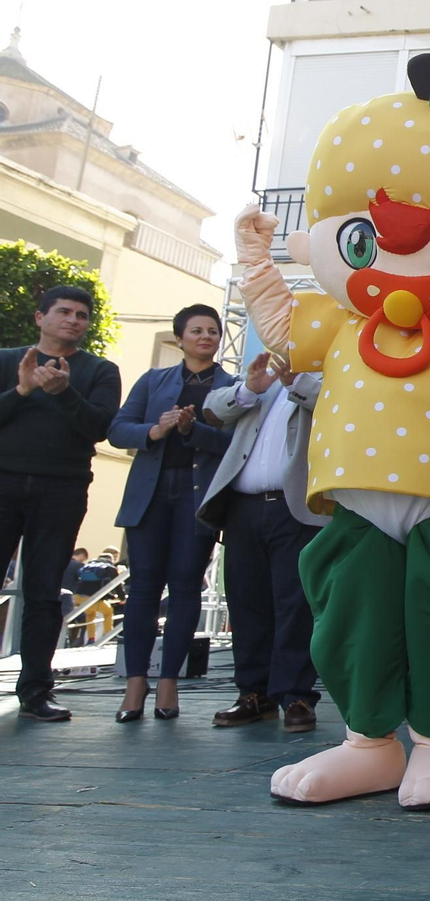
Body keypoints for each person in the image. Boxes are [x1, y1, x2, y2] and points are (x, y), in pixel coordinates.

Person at [0, 285, 122, 721]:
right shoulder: (6, 359)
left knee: (44, 590)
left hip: (62, 487)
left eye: (82, 315)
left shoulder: (100, 370)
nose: (74, 319)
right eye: (64, 311)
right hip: (5, 480)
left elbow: (101, 426)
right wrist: (22, 390)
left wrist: (64, 392)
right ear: (40, 317)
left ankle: (35, 690)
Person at [107, 305, 235, 722]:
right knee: (143, 587)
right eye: (196, 331)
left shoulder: (230, 386)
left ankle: (169, 684)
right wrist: (156, 431)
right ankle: (134, 683)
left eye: (213, 331)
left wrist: (190, 430)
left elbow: (234, 445)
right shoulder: (154, 380)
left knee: (185, 588)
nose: (206, 337)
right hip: (151, 491)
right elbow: (117, 429)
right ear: (179, 338)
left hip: (197, 496)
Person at [198, 351, 329, 733]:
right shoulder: (260, 377)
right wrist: (249, 389)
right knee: (246, 602)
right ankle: (253, 695)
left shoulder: (325, 372)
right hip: (243, 506)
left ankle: (296, 696)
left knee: (295, 604)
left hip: (293, 507)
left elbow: (342, 410)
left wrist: (296, 382)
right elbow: (212, 409)